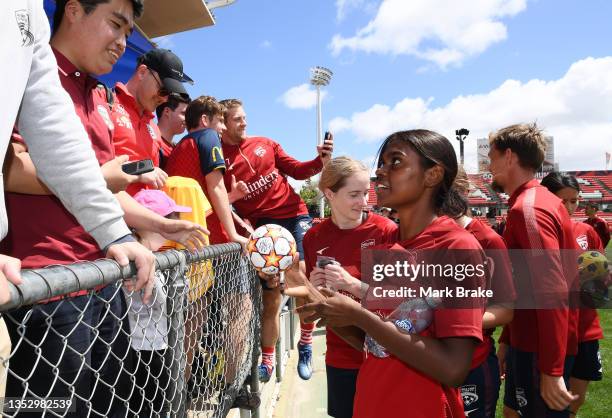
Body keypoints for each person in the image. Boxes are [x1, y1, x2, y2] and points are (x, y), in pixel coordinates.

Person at [1, 1, 207, 415]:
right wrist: (102, 178)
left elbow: (96, 184)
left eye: (128, 33)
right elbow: (12, 168)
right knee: (46, 407)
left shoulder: (96, 94)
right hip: (46, 281)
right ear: (73, 11)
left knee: (105, 405)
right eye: (115, 24)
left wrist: (156, 226)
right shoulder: (23, 62)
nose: (121, 42)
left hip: (103, 274)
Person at [299, 129, 487, 417]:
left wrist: (358, 314)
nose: (380, 171)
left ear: (432, 175)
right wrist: (330, 311)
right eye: (382, 163)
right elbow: (378, 343)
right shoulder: (389, 244)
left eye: (395, 162)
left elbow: (453, 368)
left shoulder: (456, 247)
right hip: (372, 403)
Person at [219, 98, 334, 382]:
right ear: (222, 124)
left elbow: (297, 170)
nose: (244, 122)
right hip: (263, 229)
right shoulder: (217, 157)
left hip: (294, 217)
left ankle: (306, 344)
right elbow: (218, 199)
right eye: (237, 119)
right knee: (271, 298)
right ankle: (267, 357)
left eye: (245, 117)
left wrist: (320, 160)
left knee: (301, 277)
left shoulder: (266, 143)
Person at [487, 123, 579, 418]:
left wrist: (551, 369)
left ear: (509, 156)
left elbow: (552, 292)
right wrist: (508, 342)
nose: (489, 166)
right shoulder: (536, 202)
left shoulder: (528, 210)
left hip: (539, 349)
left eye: (492, 157)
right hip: (529, 341)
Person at [302, 157, 397, 417]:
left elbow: (398, 299)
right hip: (341, 353)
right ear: (329, 194)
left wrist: (351, 284)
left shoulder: (385, 231)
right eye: (354, 194)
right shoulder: (314, 237)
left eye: (366, 193)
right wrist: (313, 287)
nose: (364, 202)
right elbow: (314, 302)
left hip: (384, 355)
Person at [445, 168, 515, 418]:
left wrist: (455, 321)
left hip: (473, 362)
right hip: (427, 362)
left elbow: (506, 310)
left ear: (463, 192)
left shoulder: (488, 240)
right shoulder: (422, 236)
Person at [540, 172, 605, 417]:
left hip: (585, 330)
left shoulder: (585, 232)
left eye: (574, 201)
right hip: (551, 330)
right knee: (541, 403)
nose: (569, 207)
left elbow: (600, 286)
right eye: (562, 201)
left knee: (574, 402)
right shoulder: (539, 234)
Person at [127, 190, 193, 416]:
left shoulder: (153, 256)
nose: (176, 222)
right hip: (145, 346)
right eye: (170, 216)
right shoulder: (138, 259)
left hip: (154, 340)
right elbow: (164, 301)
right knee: (152, 405)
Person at [165, 96, 248, 246]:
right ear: (204, 119)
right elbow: (216, 187)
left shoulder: (177, 148)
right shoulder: (208, 135)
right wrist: (233, 234)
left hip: (181, 240)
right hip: (209, 239)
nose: (223, 128)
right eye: (220, 121)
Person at [112, 48, 193, 195]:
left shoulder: (154, 128)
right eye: (163, 90)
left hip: (148, 211)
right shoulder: (105, 104)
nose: (165, 99)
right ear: (142, 72)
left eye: (170, 94)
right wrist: (140, 171)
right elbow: (93, 171)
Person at [156, 93, 190, 170]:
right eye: (184, 113)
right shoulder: (151, 142)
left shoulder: (177, 148)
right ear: (167, 111)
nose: (188, 119)